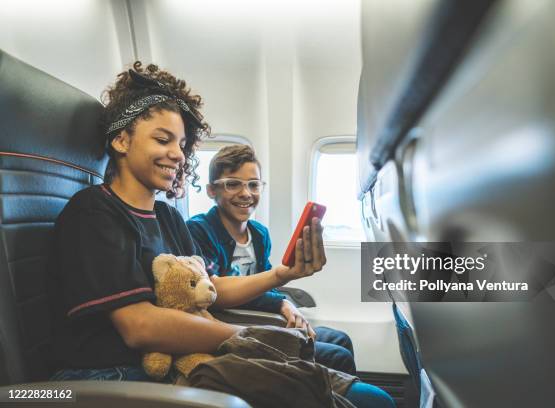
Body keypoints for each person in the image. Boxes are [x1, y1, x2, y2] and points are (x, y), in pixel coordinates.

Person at [48, 62, 395, 408]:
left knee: (369, 397)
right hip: (121, 374)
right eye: (162, 139)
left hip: (186, 355)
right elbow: (140, 326)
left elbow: (210, 289)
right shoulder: (95, 212)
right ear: (121, 140)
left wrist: (283, 275)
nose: (177, 155)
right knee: (366, 401)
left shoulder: (167, 216)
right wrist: (247, 338)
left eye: (182, 144)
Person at [186, 145, 357, 376]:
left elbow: (264, 286)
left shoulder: (259, 234)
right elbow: (213, 293)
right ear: (211, 190)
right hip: (229, 323)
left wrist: (283, 303)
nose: (246, 193)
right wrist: (279, 294)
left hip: (258, 317)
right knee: (338, 357)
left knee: (341, 339)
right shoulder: (199, 230)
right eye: (233, 184)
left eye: (254, 184)